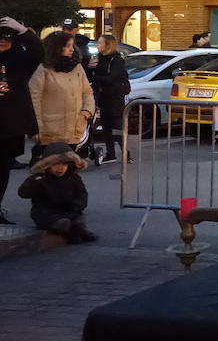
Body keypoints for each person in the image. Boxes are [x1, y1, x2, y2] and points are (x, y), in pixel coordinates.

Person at [0, 18, 41, 224]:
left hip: (10, 124)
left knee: (3, 168)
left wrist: (24, 30)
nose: (3, 42)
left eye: (7, 38)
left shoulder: (20, 60)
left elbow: (38, 53)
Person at [29, 30, 95, 159]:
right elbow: (34, 99)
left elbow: (87, 92)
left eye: (72, 46)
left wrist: (86, 113)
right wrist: (37, 127)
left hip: (75, 128)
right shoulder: (43, 70)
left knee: (70, 169)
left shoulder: (77, 68)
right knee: (51, 168)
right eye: (67, 46)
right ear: (56, 48)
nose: (71, 49)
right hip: (51, 131)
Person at [17, 143, 96, 243]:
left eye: (64, 164)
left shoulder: (73, 177)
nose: (60, 168)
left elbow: (82, 194)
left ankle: (79, 231)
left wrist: (77, 205)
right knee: (62, 223)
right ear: (47, 165)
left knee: (79, 219)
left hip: (69, 210)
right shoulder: (41, 178)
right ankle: (74, 234)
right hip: (46, 214)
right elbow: (23, 193)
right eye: (55, 164)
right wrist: (35, 181)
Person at [89, 35, 130, 165]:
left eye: (100, 43)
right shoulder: (99, 58)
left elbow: (112, 78)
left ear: (108, 45)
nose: (98, 45)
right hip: (103, 96)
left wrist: (97, 77)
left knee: (117, 126)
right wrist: (91, 68)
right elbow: (94, 75)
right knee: (106, 126)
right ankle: (110, 153)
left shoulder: (117, 60)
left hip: (115, 97)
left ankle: (126, 153)